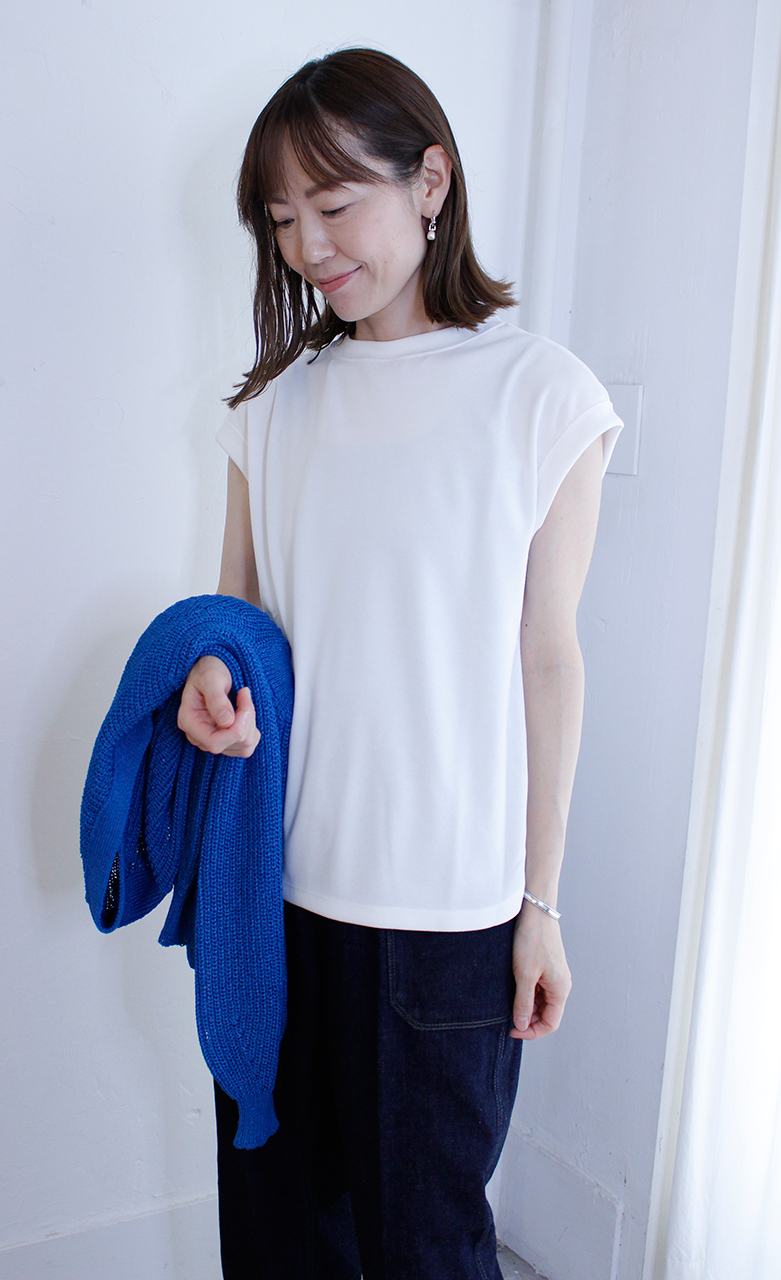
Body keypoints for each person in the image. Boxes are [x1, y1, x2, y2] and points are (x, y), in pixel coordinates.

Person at [177, 47, 622, 1280]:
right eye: (281, 219)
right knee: (280, 1246)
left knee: (428, 1252)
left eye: (332, 204)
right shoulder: (271, 408)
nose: (307, 245)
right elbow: (237, 622)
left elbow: (548, 659)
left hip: (445, 923)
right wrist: (209, 683)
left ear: (430, 181)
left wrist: (540, 906)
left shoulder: (540, 395)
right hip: (271, 905)